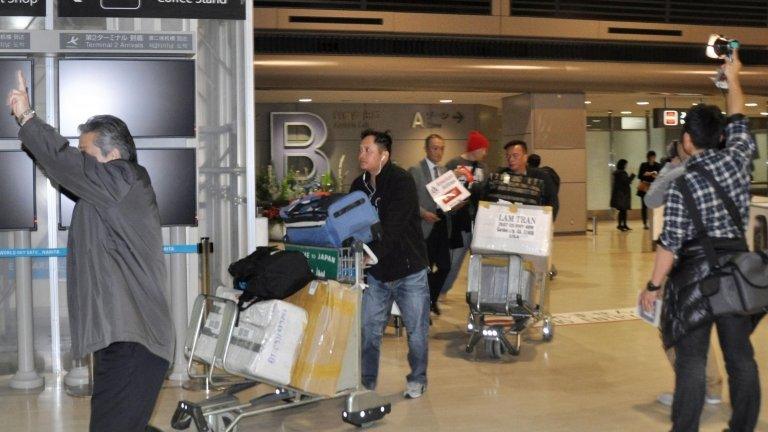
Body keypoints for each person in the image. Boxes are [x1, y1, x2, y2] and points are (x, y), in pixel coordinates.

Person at [7, 71, 173, 431]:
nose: (80, 161)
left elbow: (66, 163)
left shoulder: (125, 179)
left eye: (86, 153)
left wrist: (27, 118)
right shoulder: (105, 197)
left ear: (112, 155)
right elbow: (66, 172)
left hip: (134, 340)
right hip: (122, 340)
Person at [640, 49, 760, 432]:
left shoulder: (682, 182)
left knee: (691, 360)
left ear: (688, 141)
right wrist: (733, 76)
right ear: (722, 135)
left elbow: (670, 243)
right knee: (740, 356)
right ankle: (741, 426)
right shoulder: (739, 159)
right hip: (735, 274)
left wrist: (653, 286)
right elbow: (739, 114)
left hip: (693, 277)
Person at [350, 129, 430, 399]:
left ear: (384, 155)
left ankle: (417, 379)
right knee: (368, 331)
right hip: (377, 273)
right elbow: (350, 225)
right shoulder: (358, 186)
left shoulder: (401, 181)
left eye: (367, 150)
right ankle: (366, 383)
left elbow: (393, 229)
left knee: (417, 332)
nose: (361, 155)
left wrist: (369, 255)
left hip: (410, 270)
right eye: (360, 149)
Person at [644, 140, 723, 407]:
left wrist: (671, 166)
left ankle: (690, 389)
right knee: (698, 324)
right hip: (717, 260)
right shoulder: (725, 167)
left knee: (671, 325)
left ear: (687, 144)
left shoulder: (681, 173)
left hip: (684, 264)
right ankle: (712, 387)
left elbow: (651, 198)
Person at [441, 131, 489, 297]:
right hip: (458, 222)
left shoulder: (483, 168)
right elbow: (441, 191)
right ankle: (441, 290)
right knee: (454, 260)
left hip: (479, 221)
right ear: (475, 149)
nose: (485, 153)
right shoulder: (453, 164)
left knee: (480, 261)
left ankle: (477, 295)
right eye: (483, 149)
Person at [408, 134, 451, 316]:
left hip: (441, 225)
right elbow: (409, 200)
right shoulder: (415, 170)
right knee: (425, 268)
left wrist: (455, 202)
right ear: (426, 149)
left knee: (445, 266)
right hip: (424, 227)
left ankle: (431, 299)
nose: (438, 152)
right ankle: (424, 306)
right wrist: (423, 213)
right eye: (435, 148)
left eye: (441, 148)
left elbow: (447, 198)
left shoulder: (444, 172)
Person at [487, 140, 559, 218]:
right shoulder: (500, 175)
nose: (510, 159)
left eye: (515, 155)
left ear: (525, 157)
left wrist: (546, 223)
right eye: (508, 156)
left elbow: (552, 203)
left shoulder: (541, 177)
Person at [637, 150, 662, 229]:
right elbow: (639, 176)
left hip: (654, 187)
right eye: (651, 157)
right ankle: (645, 223)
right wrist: (646, 174)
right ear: (648, 157)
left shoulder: (658, 165)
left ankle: (653, 222)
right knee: (644, 206)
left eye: (654, 157)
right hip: (644, 186)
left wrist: (655, 176)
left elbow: (660, 176)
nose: (653, 158)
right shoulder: (643, 165)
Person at [610, 159, 635, 231]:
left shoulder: (618, 173)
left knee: (623, 210)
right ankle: (621, 225)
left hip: (620, 194)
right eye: (626, 164)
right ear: (623, 165)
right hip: (623, 195)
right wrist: (632, 174)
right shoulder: (622, 173)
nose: (627, 166)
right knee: (622, 210)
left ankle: (623, 225)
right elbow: (627, 181)